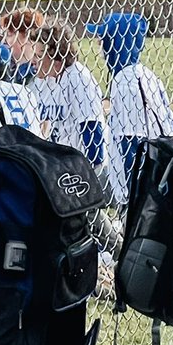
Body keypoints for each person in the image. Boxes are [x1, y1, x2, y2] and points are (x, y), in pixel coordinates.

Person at [29, 19, 121, 258]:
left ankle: (119, 252)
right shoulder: (46, 82)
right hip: (63, 168)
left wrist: (85, 174)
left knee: (82, 207)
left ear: (56, 56)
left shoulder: (78, 78)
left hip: (90, 165)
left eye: (39, 55)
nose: (33, 60)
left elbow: (92, 130)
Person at [86, 12, 173, 206]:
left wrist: (133, 197)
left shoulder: (125, 82)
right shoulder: (146, 74)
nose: (98, 44)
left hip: (139, 189)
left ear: (116, 43)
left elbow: (130, 142)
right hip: (157, 175)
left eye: (103, 39)